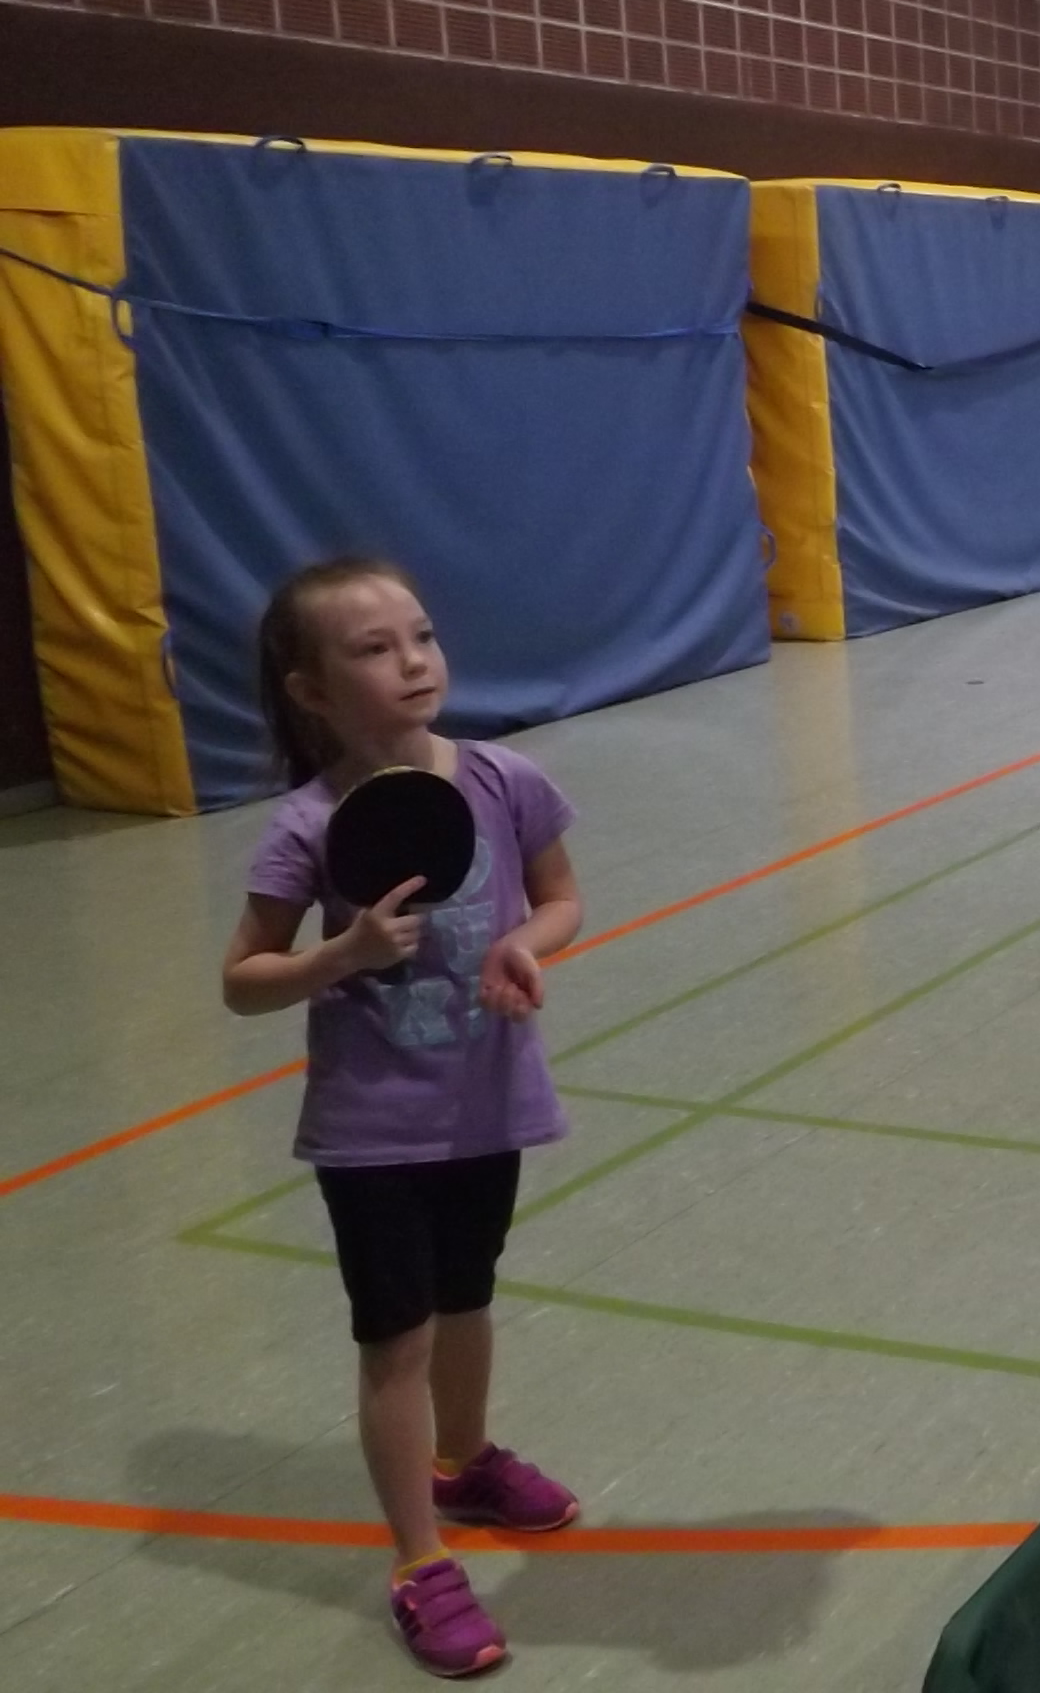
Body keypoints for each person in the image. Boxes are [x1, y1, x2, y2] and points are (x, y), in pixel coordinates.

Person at [220, 558, 586, 1678]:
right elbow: (243, 980)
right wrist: (341, 954)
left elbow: (562, 898)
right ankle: (420, 1561)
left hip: (488, 1101)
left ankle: (462, 1461)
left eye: (420, 635)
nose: (413, 661)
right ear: (312, 691)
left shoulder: (505, 779)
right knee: (398, 1341)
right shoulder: (307, 826)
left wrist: (524, 944)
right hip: (372, 1129)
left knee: (468, 1299)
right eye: (373, 649)